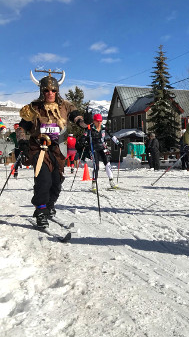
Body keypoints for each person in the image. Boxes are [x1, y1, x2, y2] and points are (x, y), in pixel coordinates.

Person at [18, 70, 90, 228]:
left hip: (58, 149)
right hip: (39, 148)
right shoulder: (34, 108)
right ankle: (40, 211)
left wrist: (86, 123)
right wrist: (22, 142)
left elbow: (77, 119)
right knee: (44, 180)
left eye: (53, 90)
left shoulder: (65, 106)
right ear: (41, 91)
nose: (50, 93)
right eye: (46, 90)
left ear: (57, 91)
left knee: (57, 182)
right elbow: (21, 128)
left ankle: (49, 206)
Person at [83, 113, 123, 190]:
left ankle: (111, 181)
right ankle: (94, 183)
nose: (99, 123)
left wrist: (118, 143)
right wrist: (84, 141)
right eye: (97, 121)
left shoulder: (104, 128)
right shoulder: (90, 128)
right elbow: (84, 136)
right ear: (94, 121)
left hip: (103, 147)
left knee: (107, 163)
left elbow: (111, 136)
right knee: (96, 166)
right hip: (94, 148)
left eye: (100, 121)